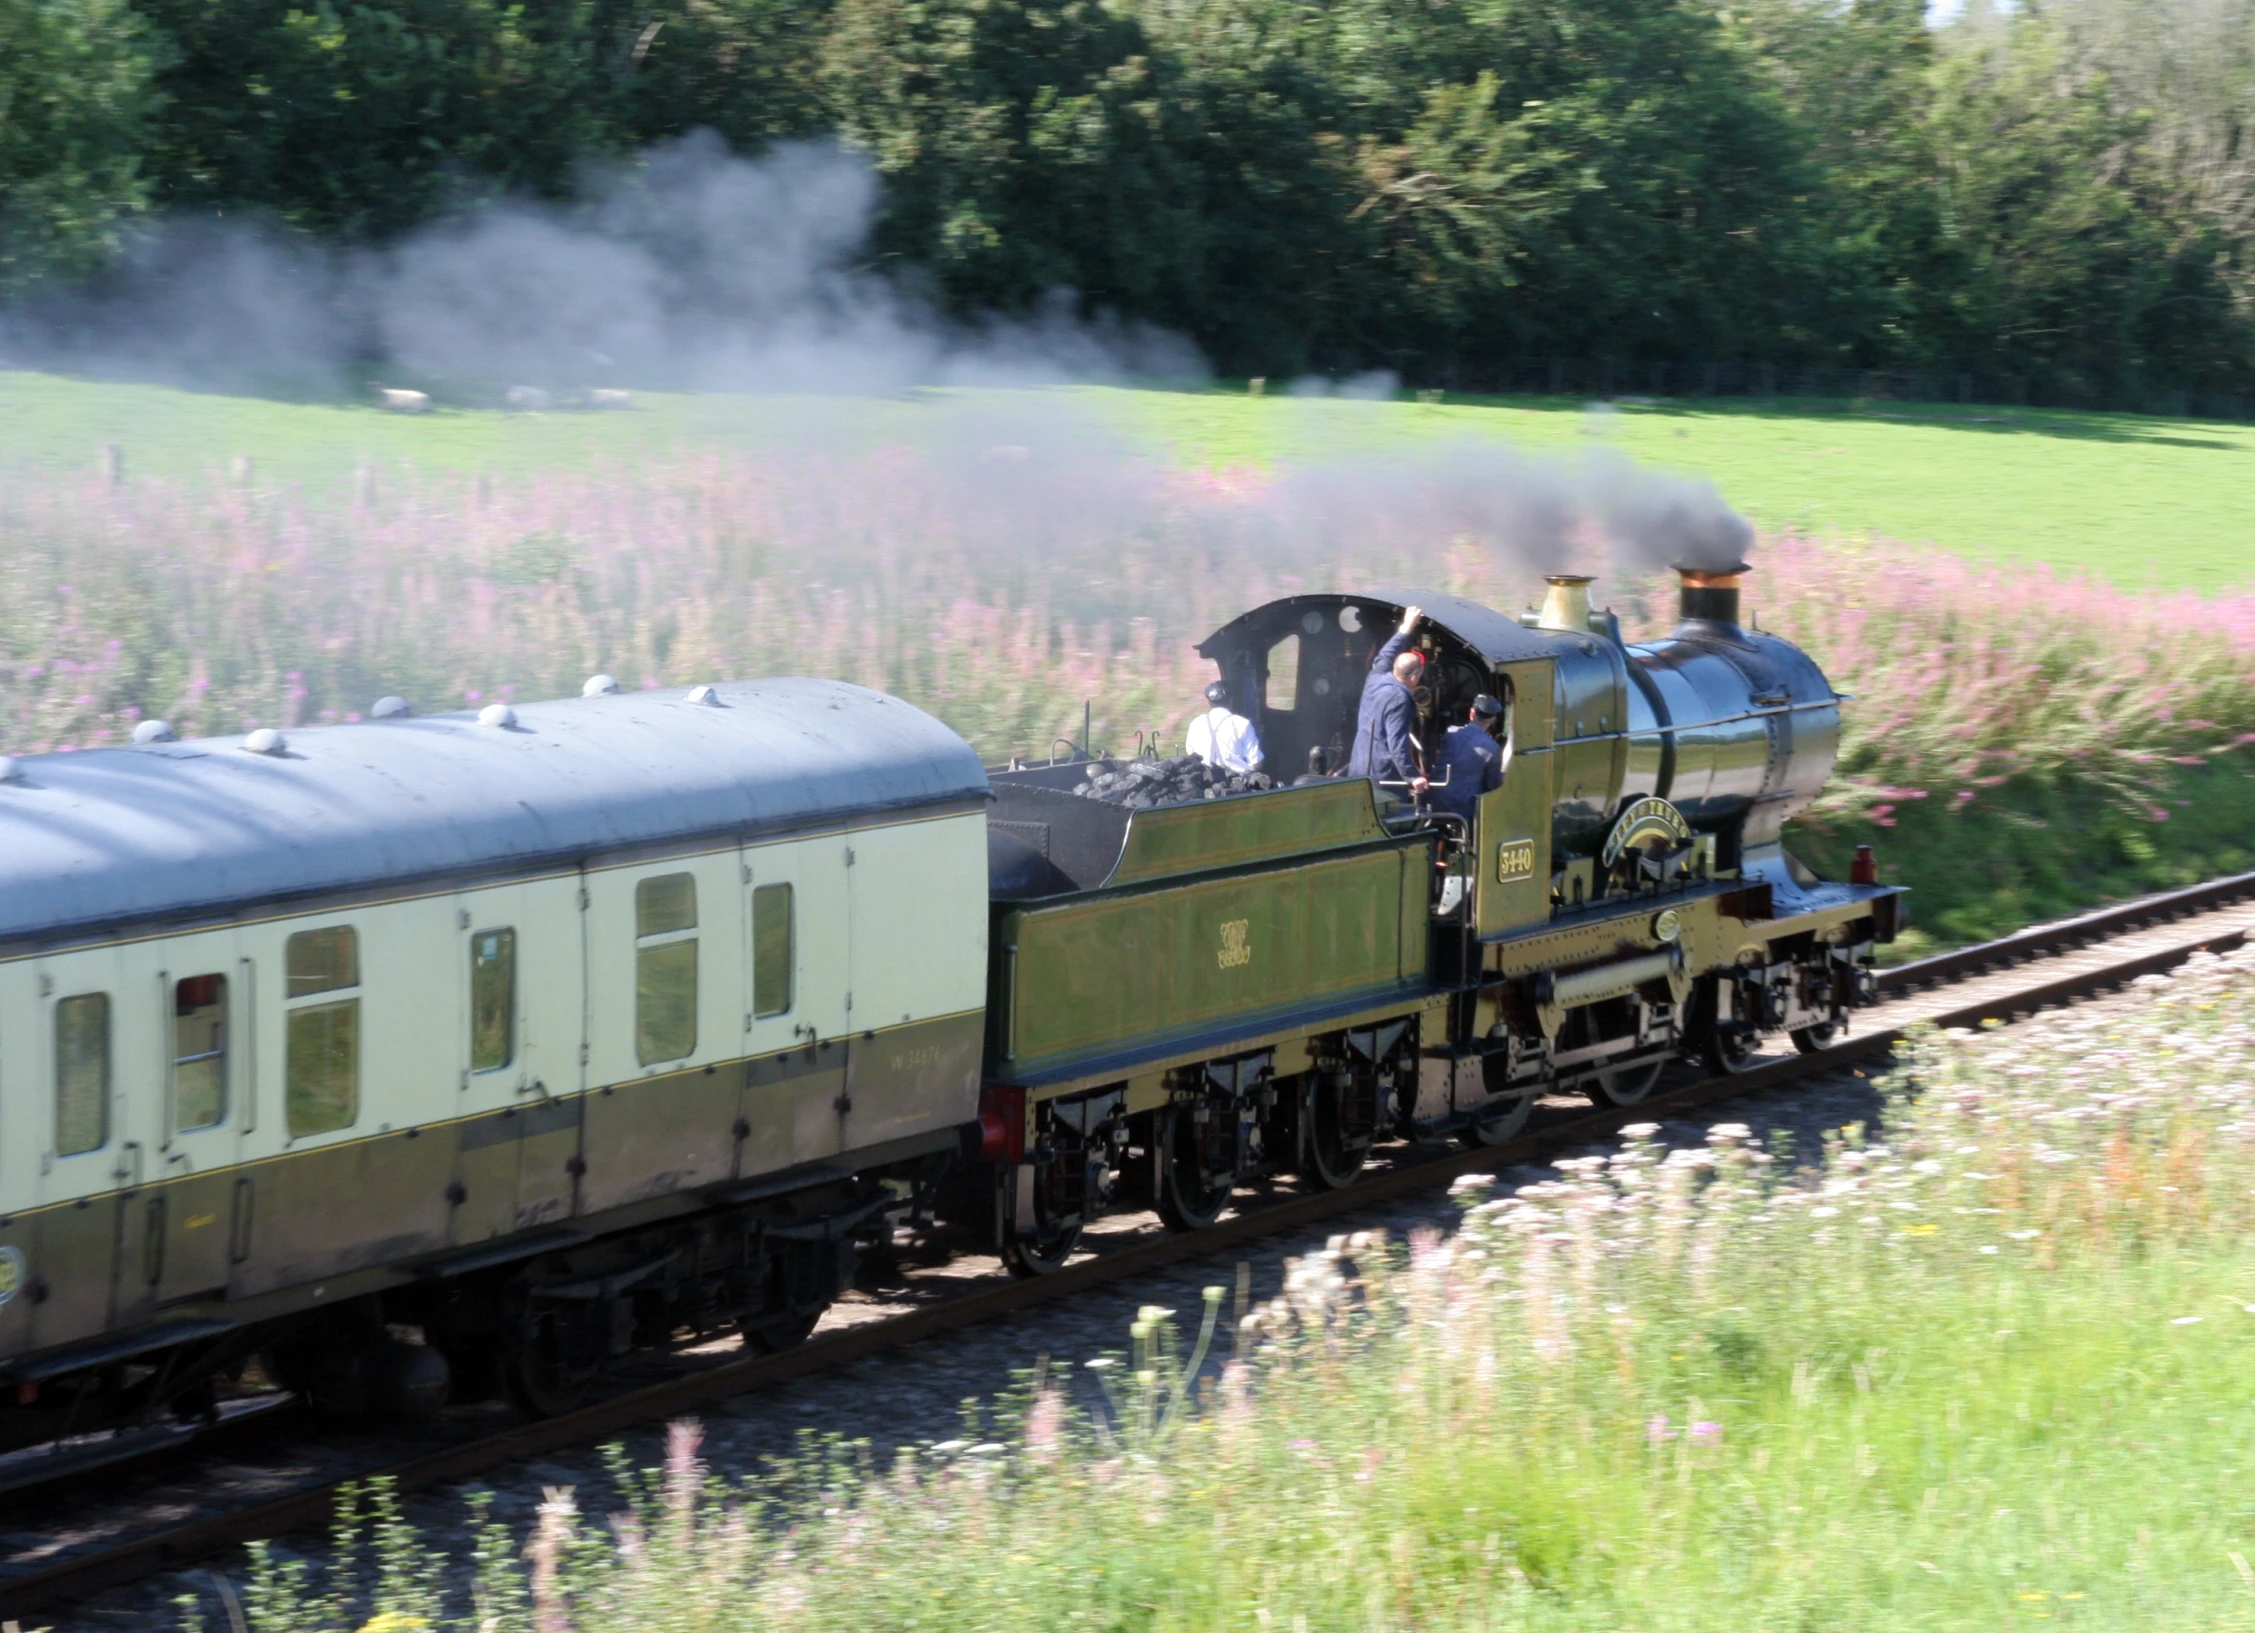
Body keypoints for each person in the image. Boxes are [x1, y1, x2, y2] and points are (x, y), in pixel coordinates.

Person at [1346, 605, 1427, 796]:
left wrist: (1407, 627)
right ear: (1414, 677)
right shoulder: (1399, 700)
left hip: (1358, 768)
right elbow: (1397, 744)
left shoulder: (1375, 677)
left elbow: (1386, 654)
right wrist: (1412, 776)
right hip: (1382, 779)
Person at [1429, 694, 1506, 825]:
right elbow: (1492, 785)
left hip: (1433, 801)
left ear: (1471, 713)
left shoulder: (1450, 733)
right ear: (1493, 720)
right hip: (1462, 809)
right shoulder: (1492, 748)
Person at [1184, 680, 1263, 774]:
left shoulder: (1196, 723)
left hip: (1205, 784)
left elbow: (1192, 756)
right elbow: (1257, 763)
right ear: (1231, 701)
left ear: (1209, 702)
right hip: (1238, 784)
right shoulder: (1242, 724)